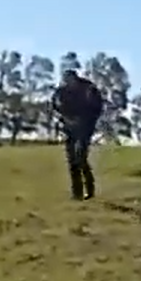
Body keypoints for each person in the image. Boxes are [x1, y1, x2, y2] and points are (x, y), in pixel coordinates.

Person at [51, 69, 104, 201]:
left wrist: (86, 122)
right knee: (72, 160)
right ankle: (77, 193)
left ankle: (90, 190)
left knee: (81, 157)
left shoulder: (88, 88)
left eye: (69, 80)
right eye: (65, 80)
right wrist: (64, 119)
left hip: (85, 128)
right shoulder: (61, 91)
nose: (67, 83)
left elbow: (98, 108)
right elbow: (55, 108)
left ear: (75, 78)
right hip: (69, 127)